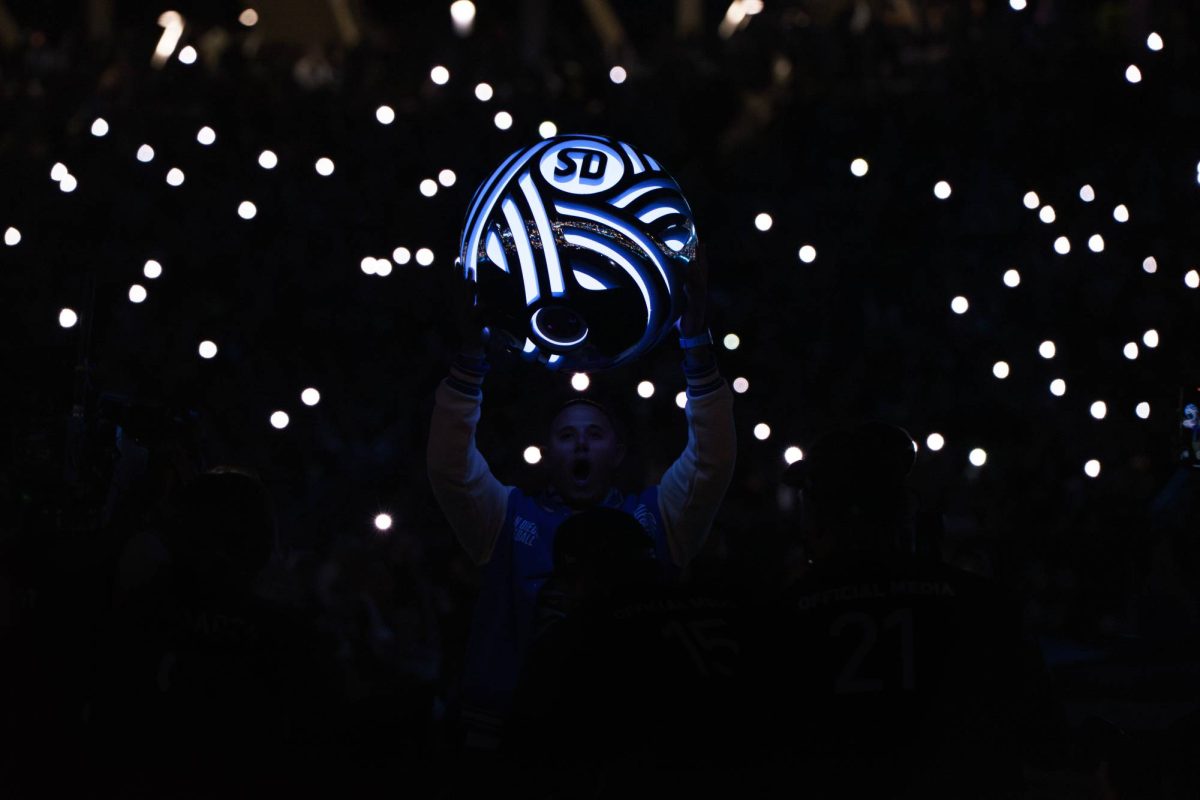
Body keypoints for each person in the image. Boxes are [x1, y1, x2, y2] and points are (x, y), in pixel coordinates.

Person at [426, 250, 736, 751]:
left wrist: (696, 340)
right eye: (567, 435)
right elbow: (448, 467)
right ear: (548, 452)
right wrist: (470, 358)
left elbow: (712, 461)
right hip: (511, 741)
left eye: (595, 433)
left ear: (617, 451)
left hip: (632, 738)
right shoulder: (506, 518)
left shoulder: (657, 517)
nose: (582, 443)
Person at [748, 422, 1062, 798]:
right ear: (905, 511)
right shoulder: (982, 602)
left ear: (817, 514)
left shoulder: (782, 618)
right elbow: (1042, 736)